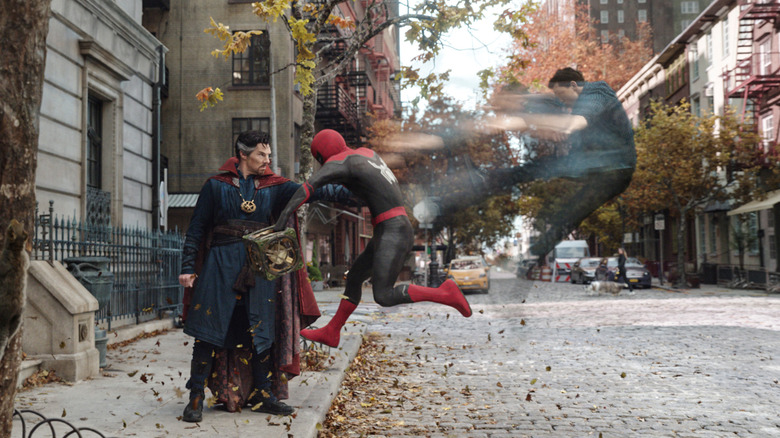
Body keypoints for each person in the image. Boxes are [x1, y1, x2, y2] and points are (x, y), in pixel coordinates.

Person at [178, 130, 353, 422]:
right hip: (220, 266)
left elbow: (314, 191)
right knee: (207, 331)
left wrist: (358, 191)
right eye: (261, 154)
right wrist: (187, 268)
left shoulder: (275, 187)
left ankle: (263, 394)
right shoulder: (216, 186)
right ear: (242, 154)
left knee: (260, 330)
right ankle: (195, 396)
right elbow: (196, 229)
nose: (267, 160)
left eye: (268, 155)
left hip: (259, 269)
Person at [272, 129, 472, 348]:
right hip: (390, 227)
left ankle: (444, 293)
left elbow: (307, 189)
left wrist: (281, 221)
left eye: (319, 160)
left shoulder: (340, 161)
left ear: (321, 155)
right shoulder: (367, 154)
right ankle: (332, 331)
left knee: (384, 295)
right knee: (355, 278)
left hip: (392, 229)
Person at [421, 67, 636, 261]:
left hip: (613, 164)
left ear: (573, 85)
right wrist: (512, 106)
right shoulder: (568, 97)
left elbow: (574, 123)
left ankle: (540, 246)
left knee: (565, 198)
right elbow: (543, 102)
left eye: (563, 96)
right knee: (527, 174)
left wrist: (528, 123)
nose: (563, 103)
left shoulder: (597, 93)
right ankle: (446, 204)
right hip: (589, 162)